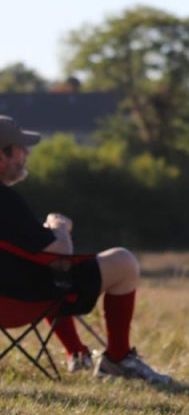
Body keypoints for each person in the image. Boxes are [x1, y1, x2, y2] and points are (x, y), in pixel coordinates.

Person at [0, 116, 170, 383]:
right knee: (123, 262)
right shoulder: (7, 200)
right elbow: (60, 254)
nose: (26, 154)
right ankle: (118, 358)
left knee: (47, 274)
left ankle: (77, 353)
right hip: (19, 303)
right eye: (21, 148)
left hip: (16, 291)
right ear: (2, 155)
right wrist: (59, 227)